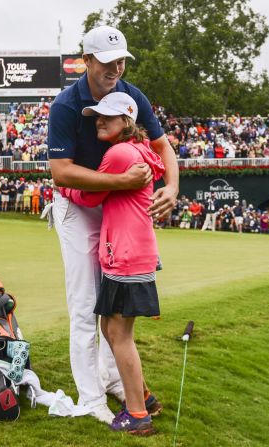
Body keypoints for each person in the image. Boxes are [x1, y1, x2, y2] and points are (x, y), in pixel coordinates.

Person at [47, 25, 178, 426]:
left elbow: (162, 146)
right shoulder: (67, 105)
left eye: (120, 60)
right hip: (77, 206)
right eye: (106, 62)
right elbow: (62, 173)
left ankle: (111, 381)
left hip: (110, 207)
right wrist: (121, 182)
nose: (115, 68)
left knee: (110, 306)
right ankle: (91, 397)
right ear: (86, 61)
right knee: (86, 307)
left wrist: (172, 187)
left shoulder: (130, 94)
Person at [58, 92, 163, 435]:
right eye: (97, 115)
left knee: (118, 333)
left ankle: (137, 414)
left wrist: (64, 189)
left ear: (127, 121)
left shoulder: (119, 153)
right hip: (134, 252)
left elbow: (90, 194)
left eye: (107, 116)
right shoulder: (138, 150)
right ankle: (142, 399)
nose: (98, 121)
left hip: (126, 255)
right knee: (113, 330)